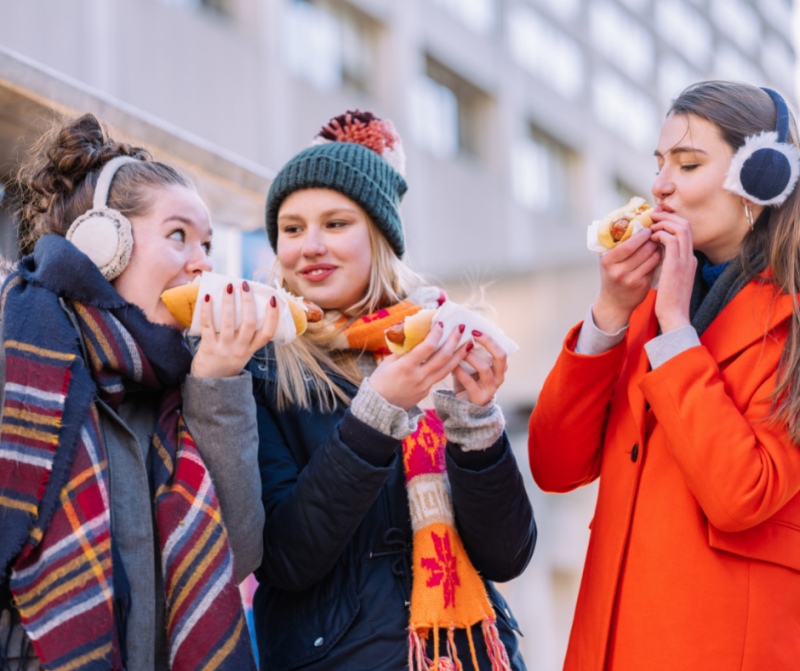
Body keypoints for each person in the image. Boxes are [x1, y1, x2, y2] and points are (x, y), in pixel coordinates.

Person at [247, 111, 535, 670]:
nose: (310, 246)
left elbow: (508, 554)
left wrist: (473, 420)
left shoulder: (439, 335)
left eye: (335, 224)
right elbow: (284, 558)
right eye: (292, 227)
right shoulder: (261, 359)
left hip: (473, 654)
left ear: (379, 235)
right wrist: (378, 410)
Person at [528, 81, 800, 670]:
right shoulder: (647, 309)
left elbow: (741, 495)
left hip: (722, 647)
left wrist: (676, 328)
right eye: (659, 163)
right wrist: (609, 314)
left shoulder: (789, 317)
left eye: (689, 163)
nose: (660, 186)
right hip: (611, 641)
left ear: (762, 177)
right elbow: (555, 466)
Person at [0, 114, 277, 671]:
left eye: (207, 244)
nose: (202, 263)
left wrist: (218, 383)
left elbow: (238, 553)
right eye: (178, 236)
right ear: (105, 244)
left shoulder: (184, 384)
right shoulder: (21, 361)